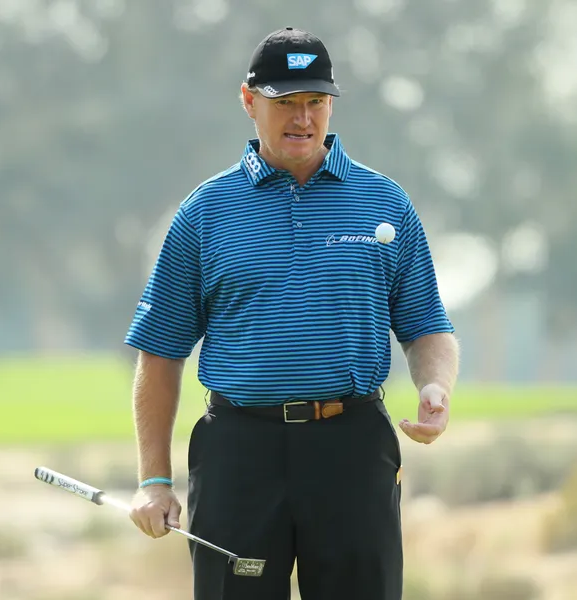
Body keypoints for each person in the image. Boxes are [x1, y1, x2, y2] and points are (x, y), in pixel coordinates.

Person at [124, 26, 460, 600]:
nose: (302, 118)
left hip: (351, 446)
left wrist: (435, 386)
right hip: (238, 453)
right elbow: (160, 353)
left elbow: (427, 326)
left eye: (315, 101)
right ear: (249, 101)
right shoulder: (205, 211)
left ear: (331, 105)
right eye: (285, 102)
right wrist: (154, 480)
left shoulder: (384, 201)